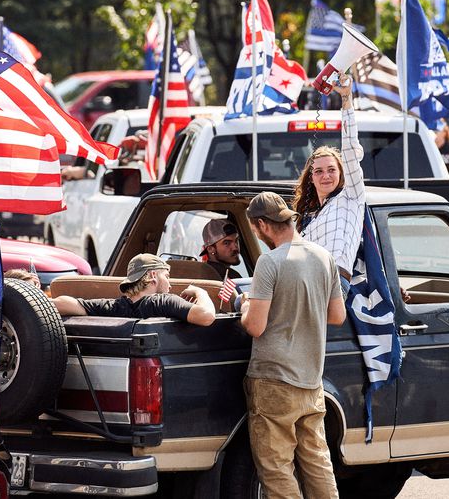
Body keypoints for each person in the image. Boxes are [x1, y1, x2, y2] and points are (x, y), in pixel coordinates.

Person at [240, 192, 345, 499]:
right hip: (311, 380)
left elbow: (255, 326)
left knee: (276, 469)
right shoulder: (323, 257)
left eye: (256, 230)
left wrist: (245, 305)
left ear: (262, 225)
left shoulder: (269, 262)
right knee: (317, 462)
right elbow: (337, 315)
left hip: (273, 380)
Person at [294, 74, 364, 291]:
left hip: (333, 282)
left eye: (332, 170)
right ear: (311, 178)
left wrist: (346, 99)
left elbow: (351, 151)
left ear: (342, 174)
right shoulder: (308, 216)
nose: (326, 176)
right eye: (319, 171)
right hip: (305, 282)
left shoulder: (351, 197)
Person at [52, 254, 216, 325]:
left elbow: (66, 304)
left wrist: (34, 300)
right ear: (153, 275)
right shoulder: (165, 302)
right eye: (166, 275)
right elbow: (207, 316)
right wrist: (201, 292)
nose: (170, 283)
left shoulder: (113, 307)